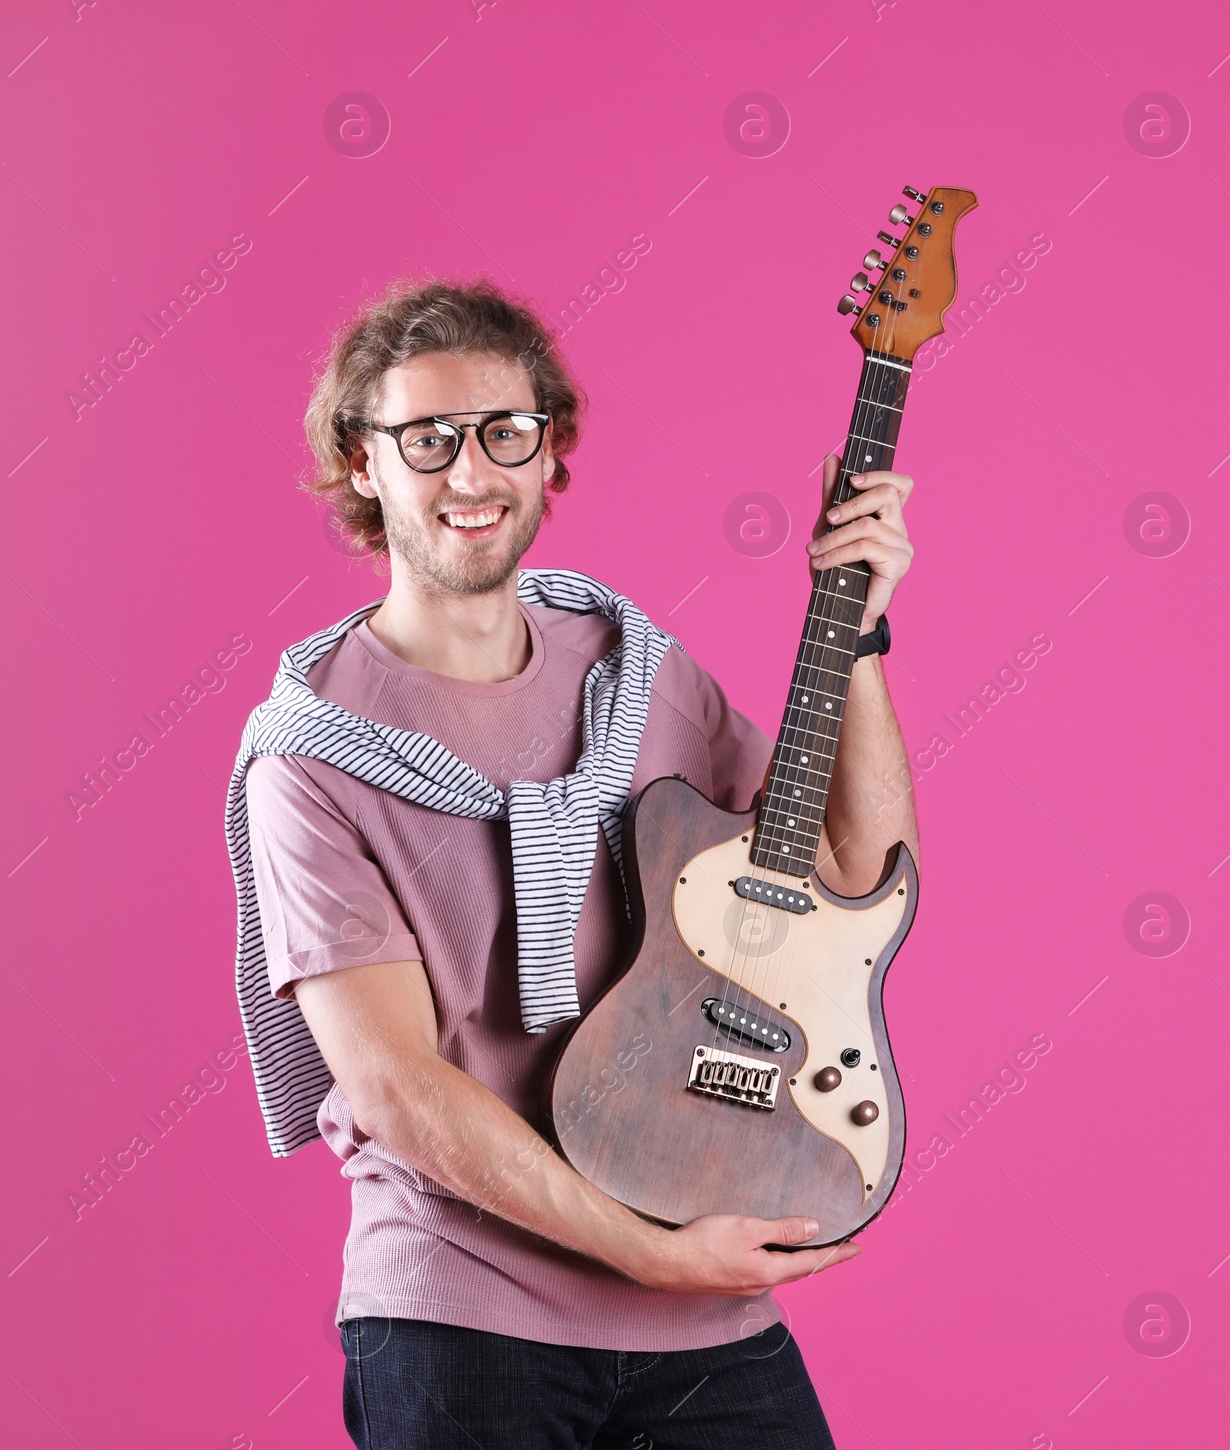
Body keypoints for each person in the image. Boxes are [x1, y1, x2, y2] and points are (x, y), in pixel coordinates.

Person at [232, 277, 920, 1449]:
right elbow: (395, 1083)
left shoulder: (632, 669)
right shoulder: (308, 756)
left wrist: (851, 629)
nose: (469, 473)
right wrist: (647, 1252)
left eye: (505, 433)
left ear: (550, 456)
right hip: (463, 1318)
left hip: (706, 1309)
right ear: (362, 464)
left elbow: (855, 861)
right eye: (426, 438)